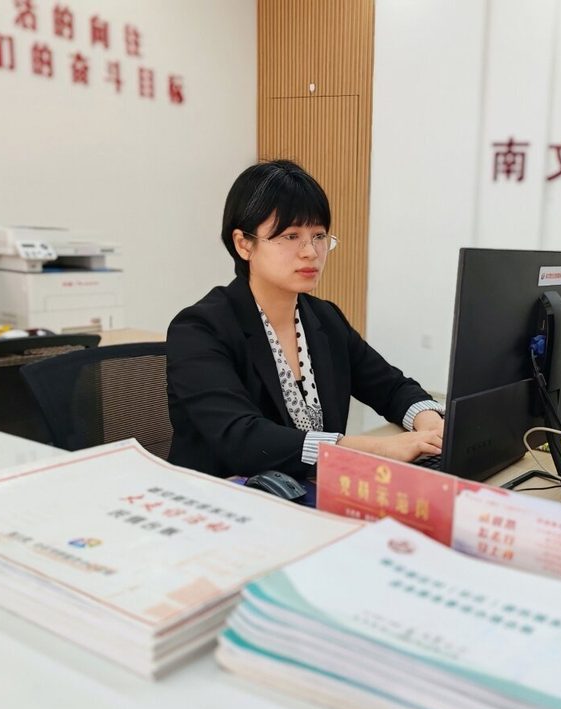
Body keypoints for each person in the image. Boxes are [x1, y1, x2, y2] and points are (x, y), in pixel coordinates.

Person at [166, 159, 444, 478]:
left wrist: (429, 424)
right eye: (290, 236)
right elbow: (243, 439)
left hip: (310, 492)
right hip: (224, 496)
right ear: (244, 244)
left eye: (319, 236)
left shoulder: (325, 318)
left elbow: (391, 387)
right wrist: (377, 449)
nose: (310, 252)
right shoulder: (199, 330)